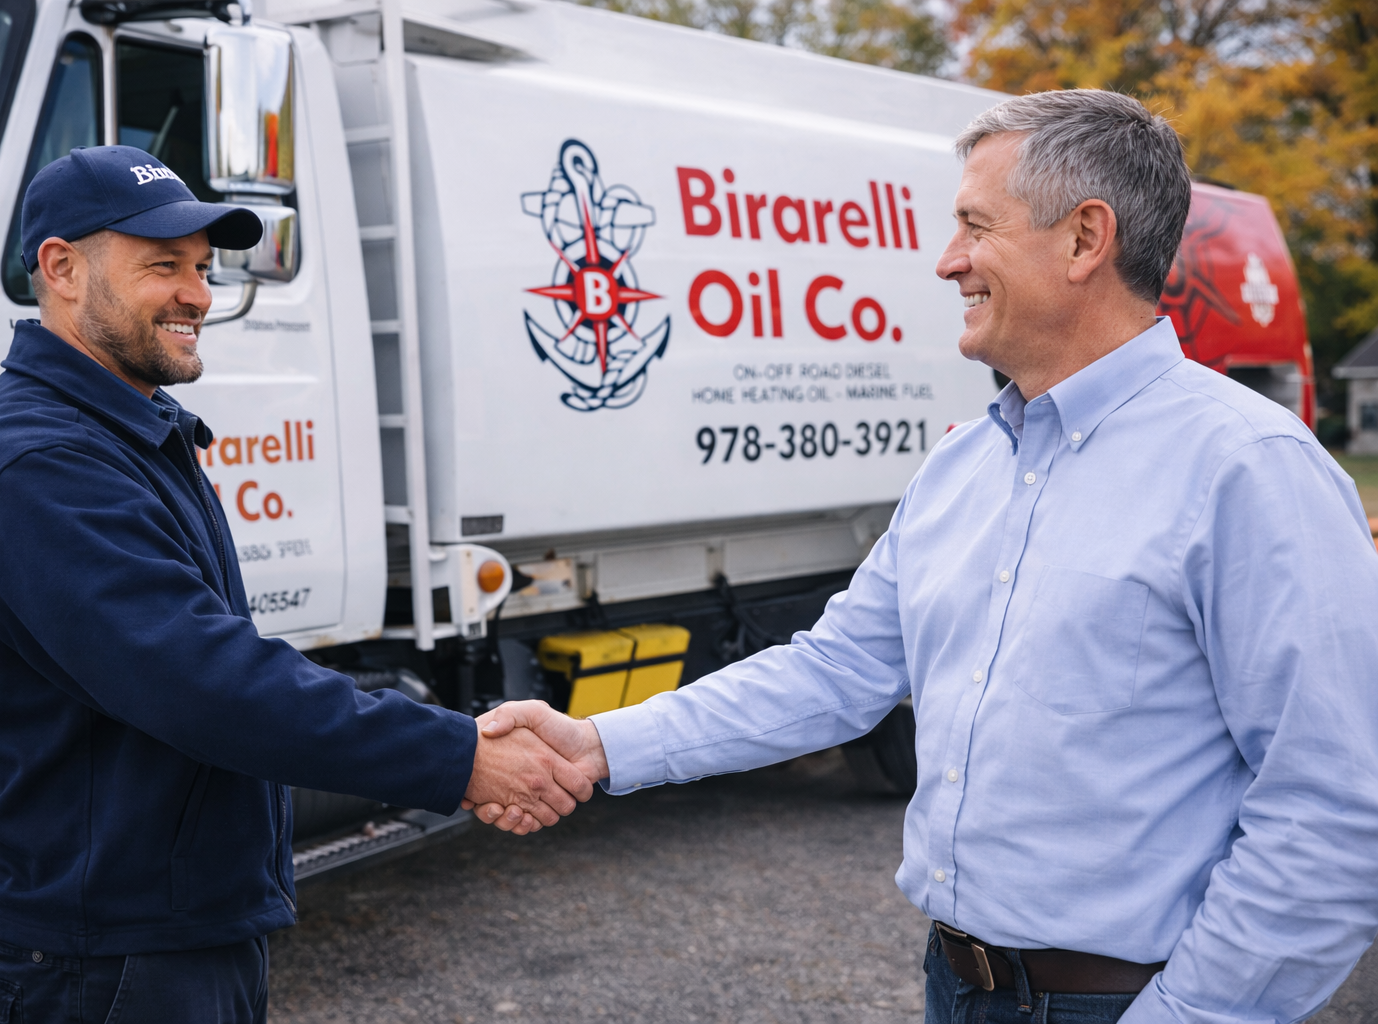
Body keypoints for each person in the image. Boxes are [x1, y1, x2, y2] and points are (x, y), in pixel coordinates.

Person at [471, 90, 1378, 1024]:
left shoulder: (1251, 471)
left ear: (1084, 240)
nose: (948, 261)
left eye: (974, 227)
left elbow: (1336, 811)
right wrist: (600, 743)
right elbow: (835, 671)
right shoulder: (965, 463)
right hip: (958, 988)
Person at [0, 146, 585, 1023]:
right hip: (99, 964)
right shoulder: (38, 463)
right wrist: (461, 758)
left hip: (166, 938)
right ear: (62, 268)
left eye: (203, 267)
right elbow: (208, 683)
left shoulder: (123, 430)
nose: (199, 294)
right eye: (163, 265)